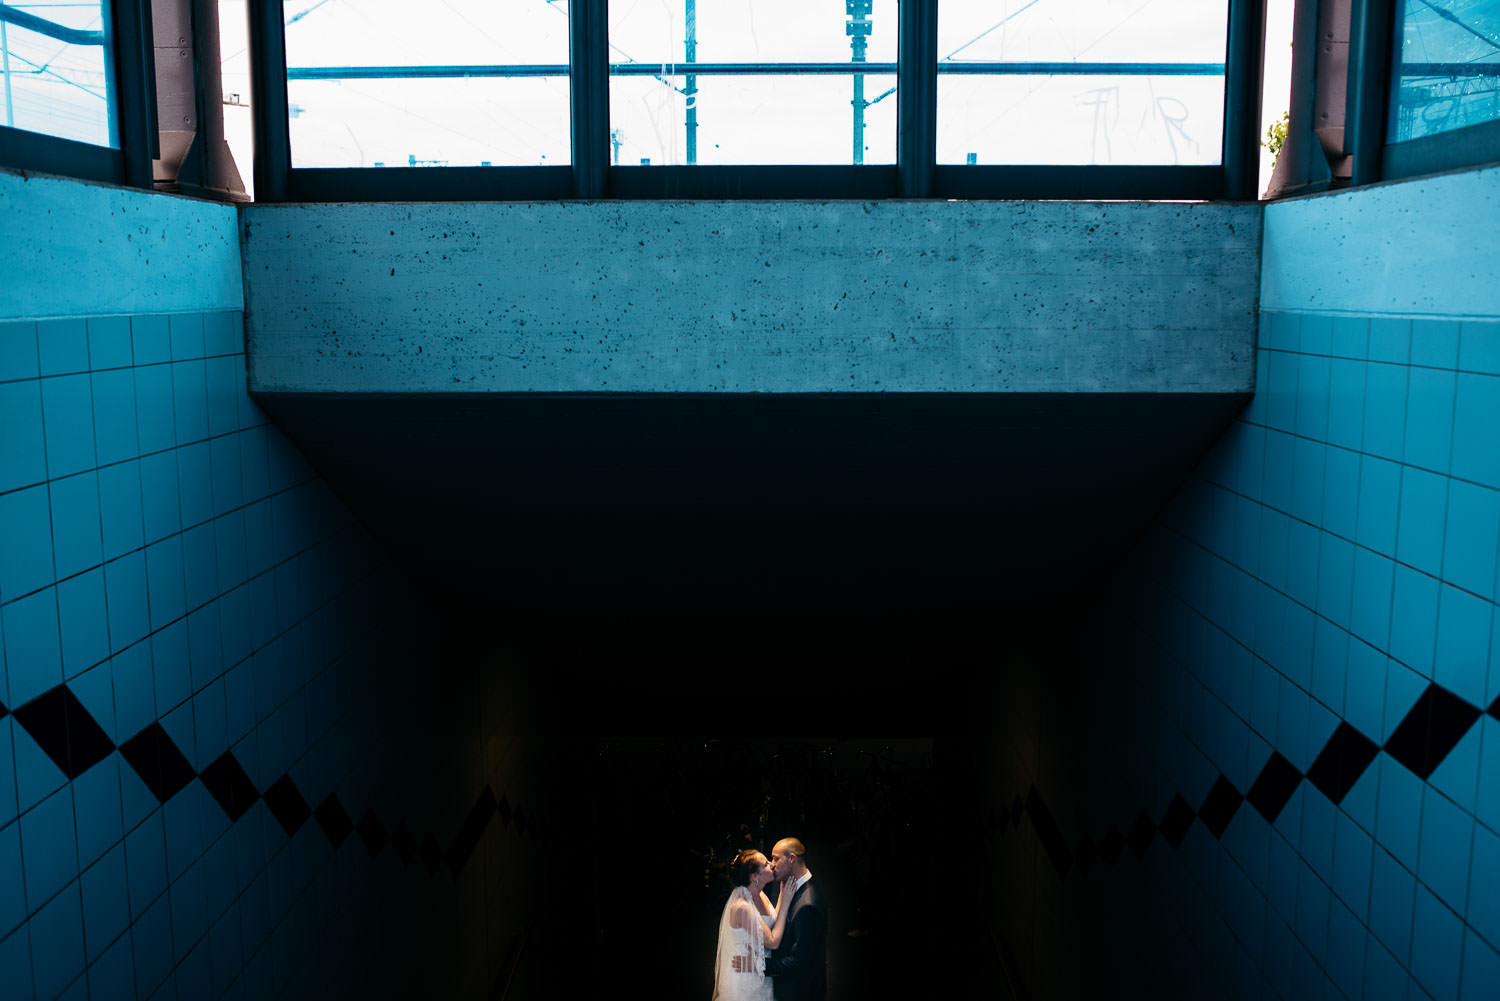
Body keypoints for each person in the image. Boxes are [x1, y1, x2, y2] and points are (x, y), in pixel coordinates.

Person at [712, 849, 793, 1001]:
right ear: (755, 876)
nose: (772, 865)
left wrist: (782, 892)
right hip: (745, 977)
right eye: (766, 864)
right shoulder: (743, 906)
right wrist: (787, 901)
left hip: (758, 968)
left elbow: (771, 920)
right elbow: (772, 942)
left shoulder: (759, 894)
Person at [765, 838, 826, 1001]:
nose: (771, 864)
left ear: (791, 859)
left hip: (799, 992)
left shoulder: (807, 905)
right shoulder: (794, 886)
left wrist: (761, 966)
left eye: (776, 858)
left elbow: (799, 960)